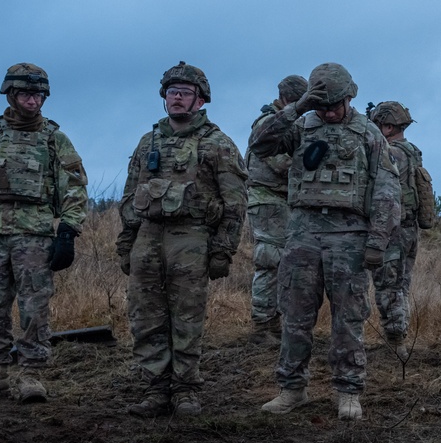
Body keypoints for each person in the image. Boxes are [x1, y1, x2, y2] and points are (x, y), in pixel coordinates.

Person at [250, 63, 400, 421]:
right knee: (295, 315)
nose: (329, 112)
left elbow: (387, 189)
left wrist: (378, 240)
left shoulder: (368, 134)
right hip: (303, 232)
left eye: (335, 105)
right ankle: (291, 389)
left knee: (348, 318)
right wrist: (296, 109)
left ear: (349, 97)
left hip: (349, 235)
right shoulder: (301, 125)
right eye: (322, 106)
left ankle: (348, 391)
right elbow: (260, 145)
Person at [116, 61, 248, 418]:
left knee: (186, 317)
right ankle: (155, 389)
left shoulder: (217, 143)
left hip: (191, 238)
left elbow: (235, 202)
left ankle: (186, 390)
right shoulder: (149, 142)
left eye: (185, 93)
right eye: (172, 92)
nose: (177, 98)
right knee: (145, 316)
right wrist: (126, 242)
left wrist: (223, 249)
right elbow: (130, 196)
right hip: (148, 236)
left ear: (200, 101)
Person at [0, 63, 89, 404]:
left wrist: (68, 232)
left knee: (34, 309)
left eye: (39, 94)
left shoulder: (55, 139)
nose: (33, 100)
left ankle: (32, 375)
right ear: (11, 95)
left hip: (36, 236)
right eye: (26, 93)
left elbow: (75, 190)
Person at [245, 74, 308, 344]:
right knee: (270, 260)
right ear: (286, 99)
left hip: (280, 200)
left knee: (283, 264)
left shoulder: (287, 121)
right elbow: (282, 165)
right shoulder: (269, 124)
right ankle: (262, 325)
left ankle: (273, 323)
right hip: (267, 199)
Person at [369, 101, 426, 361]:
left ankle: (396, 343)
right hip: (409, 229)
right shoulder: (412, 151)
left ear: (389, 126)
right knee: (400, 286)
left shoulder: (392, 153)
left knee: (389, 287)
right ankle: (399, 337)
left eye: (378, 124)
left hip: (393, 230)